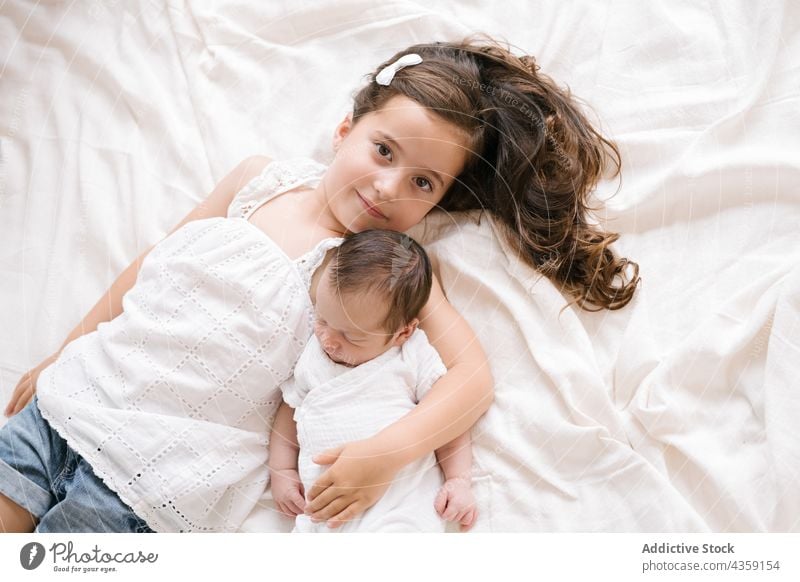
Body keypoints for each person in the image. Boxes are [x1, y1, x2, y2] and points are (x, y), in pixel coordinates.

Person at [0, 35, 640, 533]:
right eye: (383, 151)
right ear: (344, 132)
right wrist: (62, 350)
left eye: (424, 183)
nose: (389, 187)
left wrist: (388, 452)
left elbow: (471, 378)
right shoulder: (259, 179)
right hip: (68, 403)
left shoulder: (387, 269)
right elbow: (150, 265)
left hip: (157, 475)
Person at [269, 230, 477, 533]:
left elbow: (449, 422)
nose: (329, 339)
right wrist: (282, 469)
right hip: (324, 508)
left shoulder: (411, 355)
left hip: (399, 502)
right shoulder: (313, 356)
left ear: (402, 333)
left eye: (351, 336)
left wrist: (459, 479)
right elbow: (290, 413)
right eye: (323, 319)